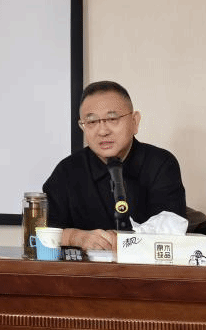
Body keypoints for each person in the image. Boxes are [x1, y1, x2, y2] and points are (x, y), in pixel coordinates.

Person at [42, 80, 186, 251]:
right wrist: (76, 237)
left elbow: (173, 229)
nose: (103, 131)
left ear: (134, 121)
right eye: (92, 122)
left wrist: (125, 240)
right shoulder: (68, 170)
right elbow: (40, 230)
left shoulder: (161, 164)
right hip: (86, 268)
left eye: (112, 119)